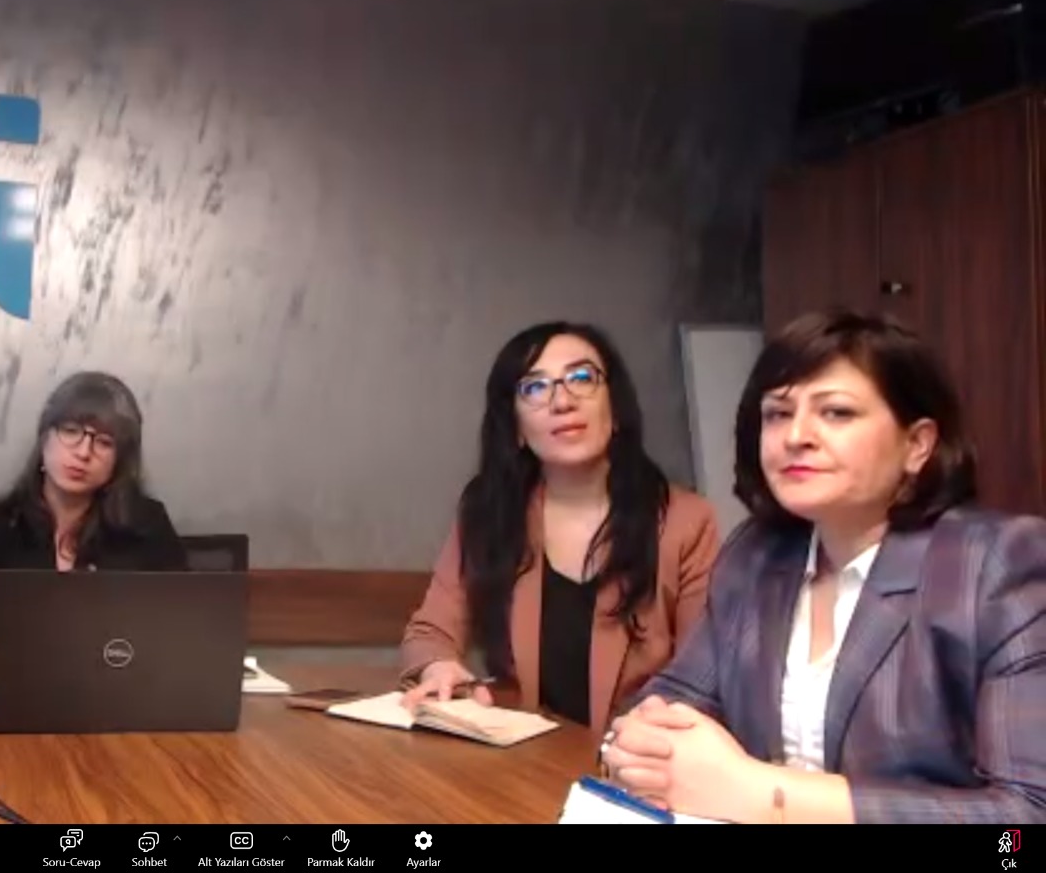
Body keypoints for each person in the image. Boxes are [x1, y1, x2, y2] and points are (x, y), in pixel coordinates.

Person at [603, 311, 1046, 824]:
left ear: (917, 445)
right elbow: (676, 698)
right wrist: (636, 742)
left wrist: (762, 796)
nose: (796, 435)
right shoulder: (757, 553)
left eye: (836, 412)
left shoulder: (997, 563)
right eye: (777, 414)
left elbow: (1025, 821)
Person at [399, 321, 719, 740]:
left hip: (637, 758)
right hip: (521, 758)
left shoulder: (686, 522)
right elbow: (431, 631)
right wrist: (439, 666)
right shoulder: (490, 512)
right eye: (535, 387)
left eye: (581, 378)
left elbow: (703, 679)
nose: (562, 401)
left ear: (615, 408)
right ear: (515, 426)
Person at [0, 371, 187, 665]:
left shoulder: (147, 525)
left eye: (104, 442)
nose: (83, 452)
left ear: (119, 461)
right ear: (44, 436)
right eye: (71, 431)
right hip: (15, 691)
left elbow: (179, 635)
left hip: (121, 689)